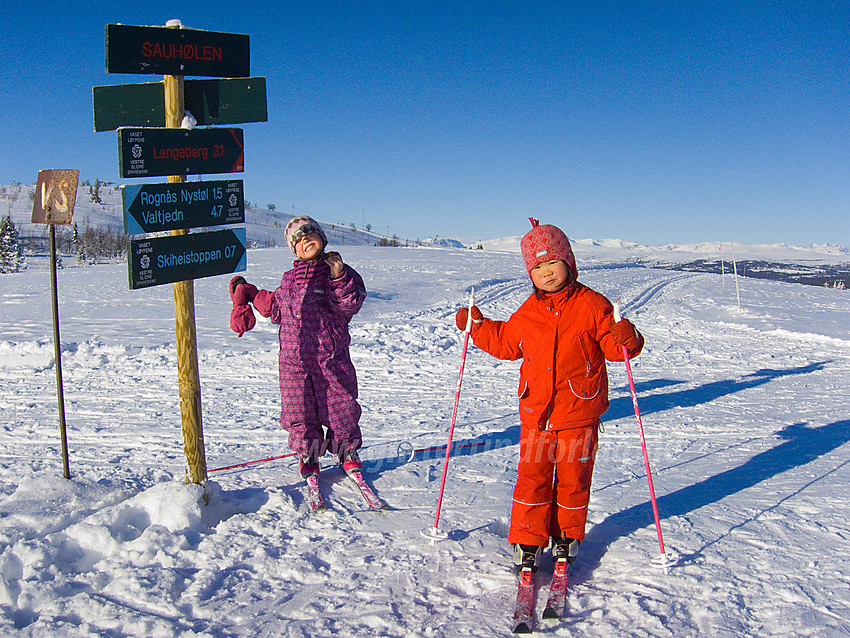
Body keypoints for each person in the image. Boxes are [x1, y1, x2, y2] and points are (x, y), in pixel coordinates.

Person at [454, 218, 644, 572]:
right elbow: (507, 342)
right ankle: (528, 538)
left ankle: (566, 535)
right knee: (533, 477)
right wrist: (477, 327)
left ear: (568, 262)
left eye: (552, 263)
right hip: (537, 413)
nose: (546, 272)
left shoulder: (592, 304)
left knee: (573, 478)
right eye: (537, 267)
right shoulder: (529, 310)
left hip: (580, 412)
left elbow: (618, 350)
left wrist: (626, 335)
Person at [229, 216, 367, 480]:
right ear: (294, 249)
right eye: (299, 241)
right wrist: (249, 293)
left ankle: (346, 451)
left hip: (331, 357)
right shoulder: (289, 279)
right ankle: (308, 453)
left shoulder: (338, 271)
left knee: (342, 407)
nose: (306, 242)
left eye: (310, 236)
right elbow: (276, 308)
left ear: (322, 239)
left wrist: (339, 276)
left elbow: (349, 305)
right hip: (293, 360)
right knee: (298, 410)